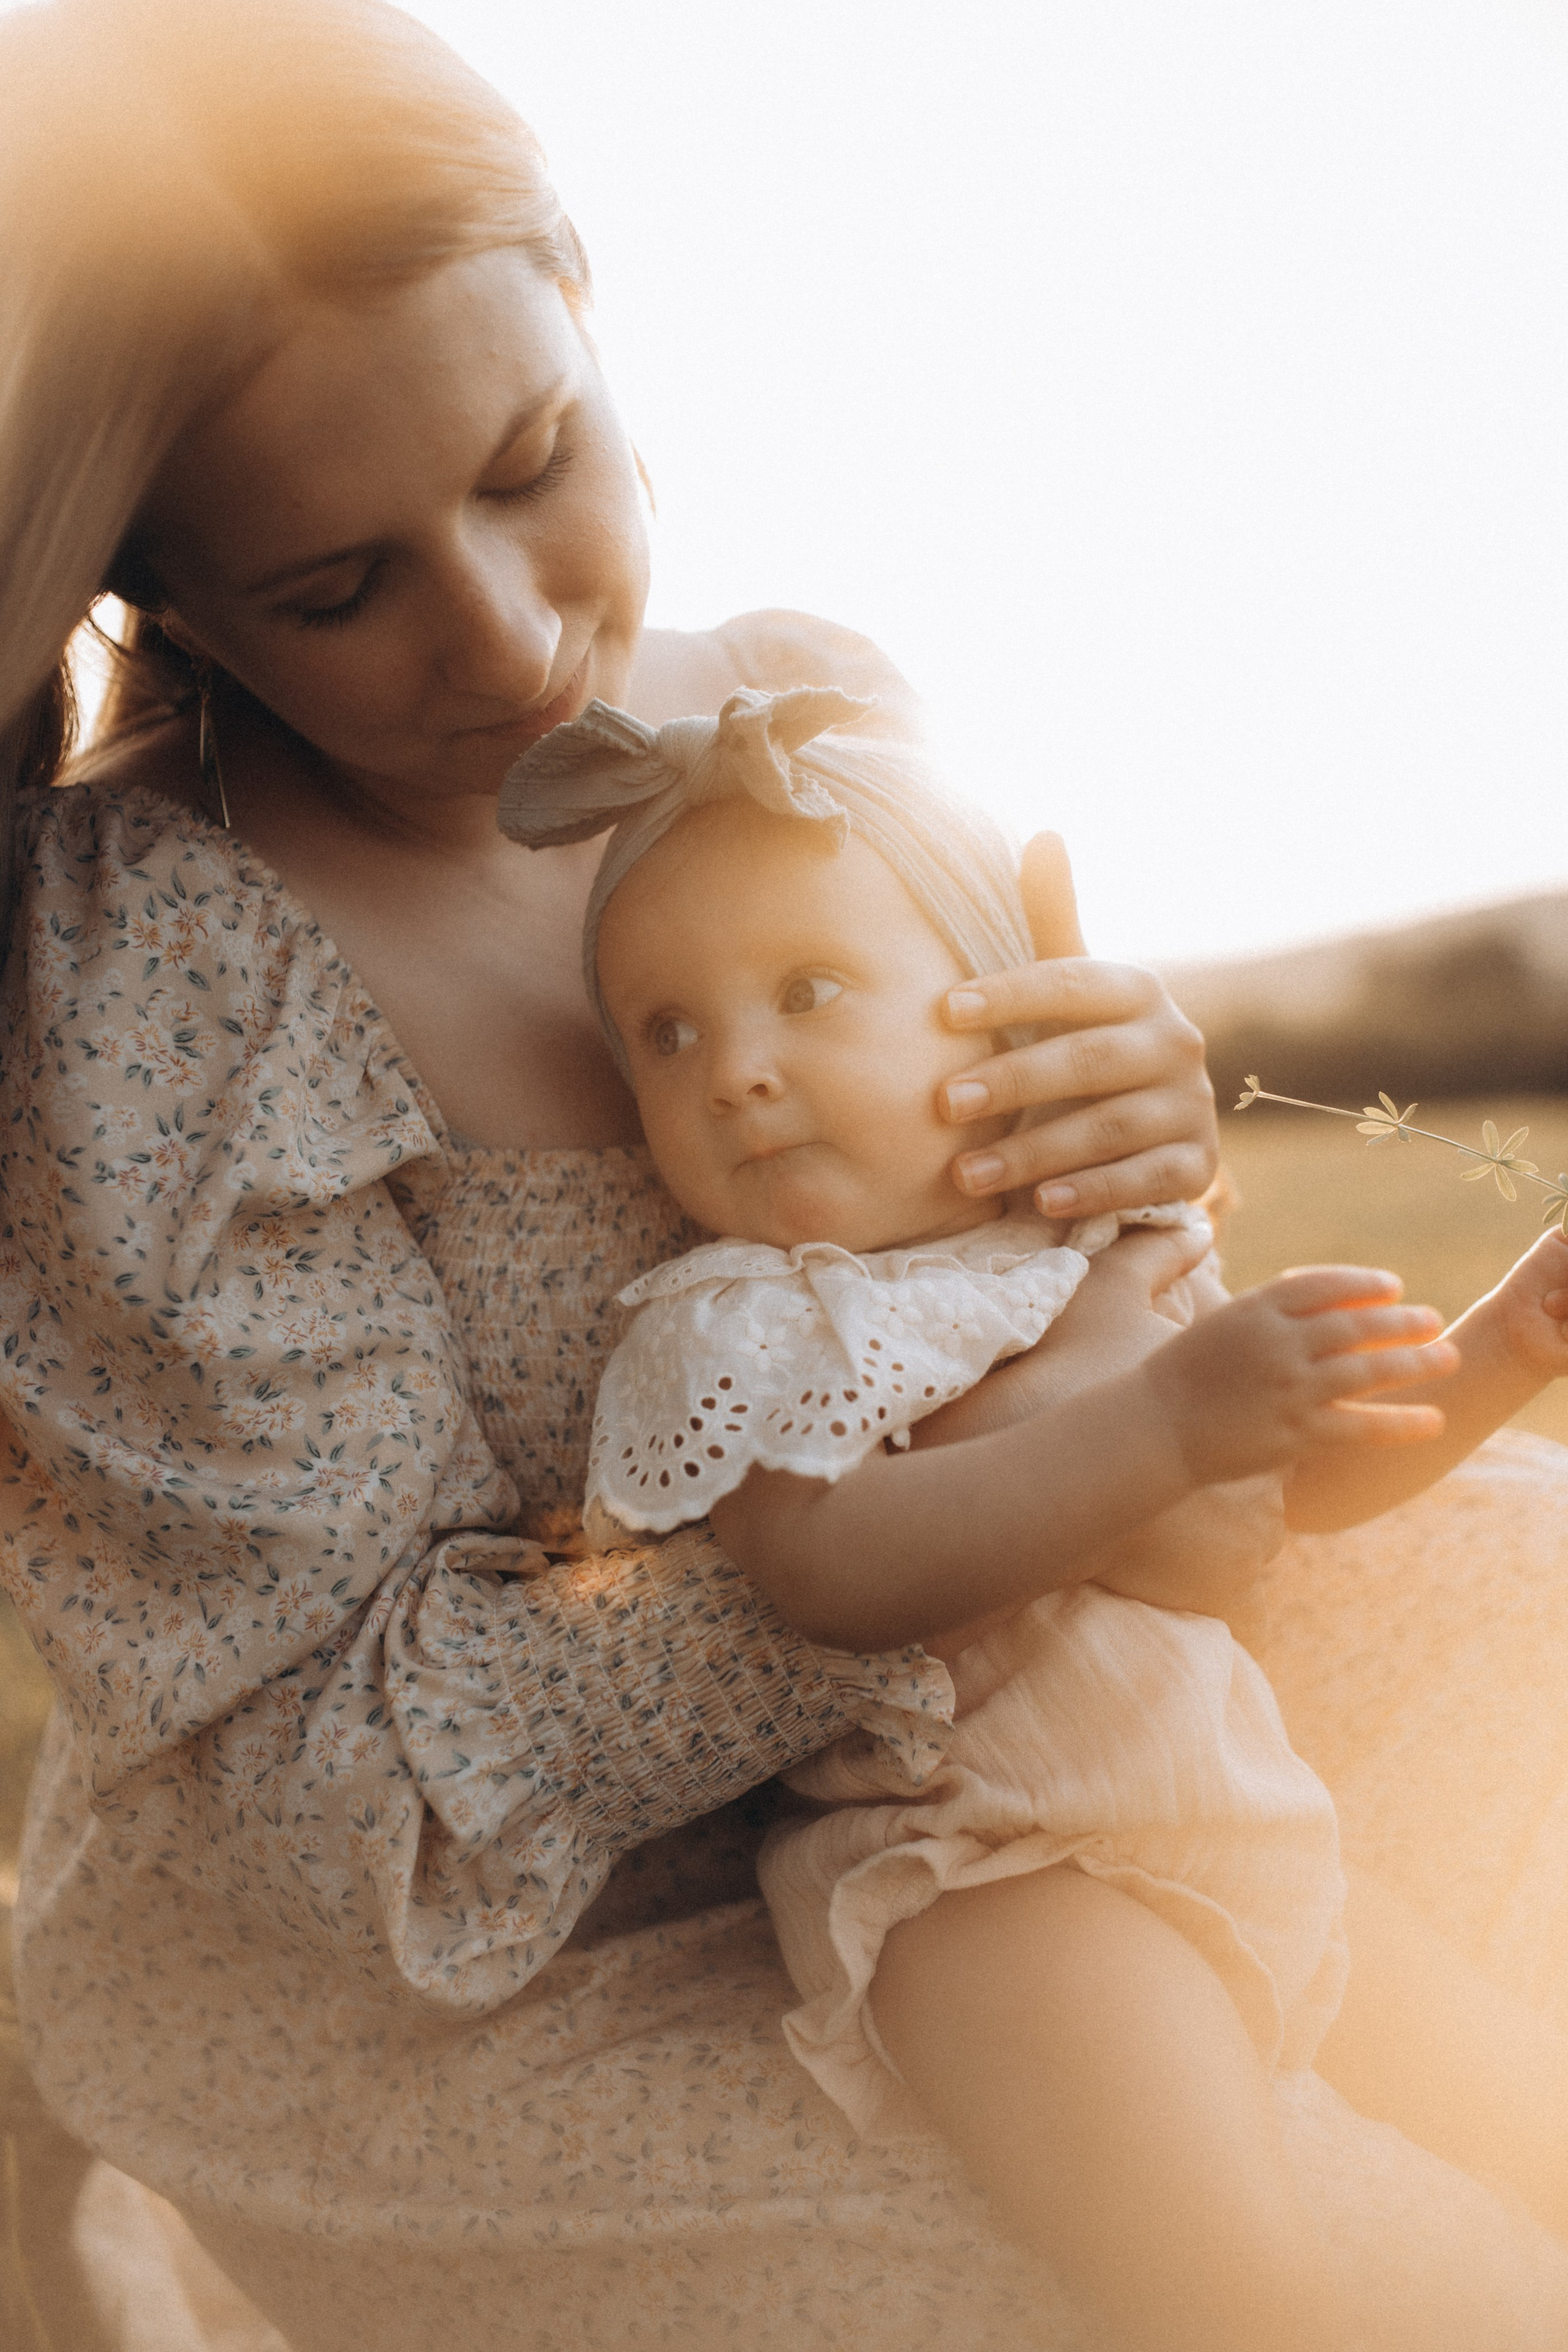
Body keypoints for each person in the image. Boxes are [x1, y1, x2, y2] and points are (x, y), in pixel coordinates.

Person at [2, 2, 1567, 2346]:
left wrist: (1126, 1152)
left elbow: (1054, 1297)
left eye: (537, 459)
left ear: (589, 299)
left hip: (1052, 1659)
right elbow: (328, 1787)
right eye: (339, 589)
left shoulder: (802, 712)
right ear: (162, 596)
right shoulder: (159, 975)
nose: (514, 638)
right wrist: (1022, 1492)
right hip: (509, 1944)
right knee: (1376, 2291)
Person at [500, 681, 1466, 2350]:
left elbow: (1279, 1499)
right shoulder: (746, 1319)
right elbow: (832, 1570)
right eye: (667, 1032)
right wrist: (1162, 1415)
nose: (736, 1073)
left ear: (994, 1014)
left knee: (1513, 2082)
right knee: (1236, 2281)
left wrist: (1497, 1354)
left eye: (808, 995)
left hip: (1226, 1813)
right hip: (982, 1872)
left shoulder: (1077, 1246)